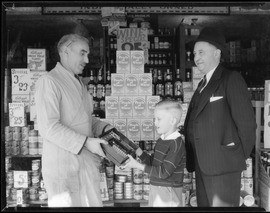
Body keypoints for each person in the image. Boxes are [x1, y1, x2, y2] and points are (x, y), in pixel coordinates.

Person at [35, 34, 113, 207]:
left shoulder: (80, 84)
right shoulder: (49, 82)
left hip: (85, 164)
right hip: (64, 167)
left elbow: (84, 119)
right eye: (82, 53)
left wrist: (106, 129)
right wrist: (86, 142)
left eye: (88, 54)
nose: (86, 59)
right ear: (65, 51)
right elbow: (48, 127)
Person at [183, 27, 257, 207]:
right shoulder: (203, 83)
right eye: (194, 53)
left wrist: (234, 157)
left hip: (223, 166)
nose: (196, 57)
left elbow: (247, 125)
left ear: (217, 53)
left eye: (201, 52)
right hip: (203, 164)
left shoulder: (231, 79)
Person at [120, 100, 186, 207]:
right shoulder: (161, 140)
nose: (155, 123)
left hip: (169, 191)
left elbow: (164, 173)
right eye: (155, 119)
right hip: (156, 188)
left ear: (173, 121)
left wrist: (137, 166)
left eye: (159, 119)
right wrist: (136, 149)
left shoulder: (176, 144)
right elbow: (153, 163)